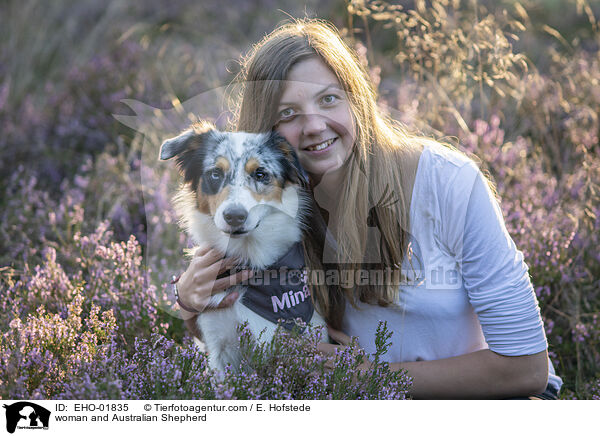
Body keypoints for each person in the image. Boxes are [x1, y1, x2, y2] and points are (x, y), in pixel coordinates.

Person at [174, 18, 562, 399]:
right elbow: (248, 338)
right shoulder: (270, 208)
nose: (313, 125)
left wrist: (368, 376)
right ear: (265, 130)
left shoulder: (449, 182)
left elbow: (527, 368)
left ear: (356, 101)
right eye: (288, 113)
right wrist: (191, 305)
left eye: (328, 99)